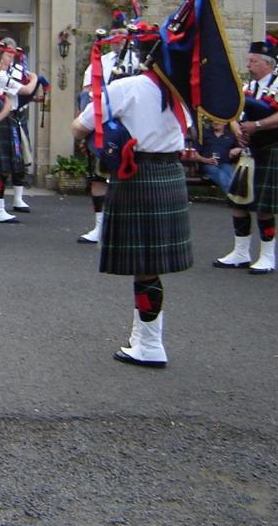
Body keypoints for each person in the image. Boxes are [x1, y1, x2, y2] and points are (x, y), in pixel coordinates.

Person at [71, 23, 192, 368]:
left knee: (145, 268)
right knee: (150, 268)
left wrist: (104, 128)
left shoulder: (128, 87)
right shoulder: (182, 93)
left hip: (137, 174)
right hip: (170, 173)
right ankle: (144, 337)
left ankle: (151, 345)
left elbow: (82, 125)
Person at [214, 39, 278, 275]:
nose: (249, 64)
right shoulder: (247, 88)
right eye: (249, 60)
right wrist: (237, 130)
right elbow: (232, 113)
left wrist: (258, 125)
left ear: (268, 64)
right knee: (238, 203)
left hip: (270, 149)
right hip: (248, 152)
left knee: (263, 206)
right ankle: (241, 253)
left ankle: (267, 256)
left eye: (254, 61)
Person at [76, 17, 141, 244]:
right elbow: (86, 93)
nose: (117, 40)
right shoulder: (99, 62)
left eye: (121, 34)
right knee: (99, 177)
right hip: (102, 126)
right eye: (114, 35)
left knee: (131, 178)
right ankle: (100, 227)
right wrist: (87, 127)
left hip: (131, 127)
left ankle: (128, 228)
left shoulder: (139, 61)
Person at [0, 38, 38, 222]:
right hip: (3, 122)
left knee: (6, 166)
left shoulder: (0, 74)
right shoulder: (0, 76)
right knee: (0, 167)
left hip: (9, 120)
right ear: (1, 55)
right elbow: (27, 90)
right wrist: (37, 78)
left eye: (12, 54)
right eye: (7, 54)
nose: (10, 57)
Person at [190, 120, 238, 194]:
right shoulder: (204, 134)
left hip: (224, 164)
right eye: (214, 120)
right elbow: (194, 153)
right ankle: (233, 197)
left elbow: (242, 146)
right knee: (221, 175)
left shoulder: (230, 135)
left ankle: (235, 197)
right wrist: (206, 160)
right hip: (208, 165)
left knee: (231, 175)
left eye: (218, 120)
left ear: (225, 122)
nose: (216, 122)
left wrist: (238, 149)